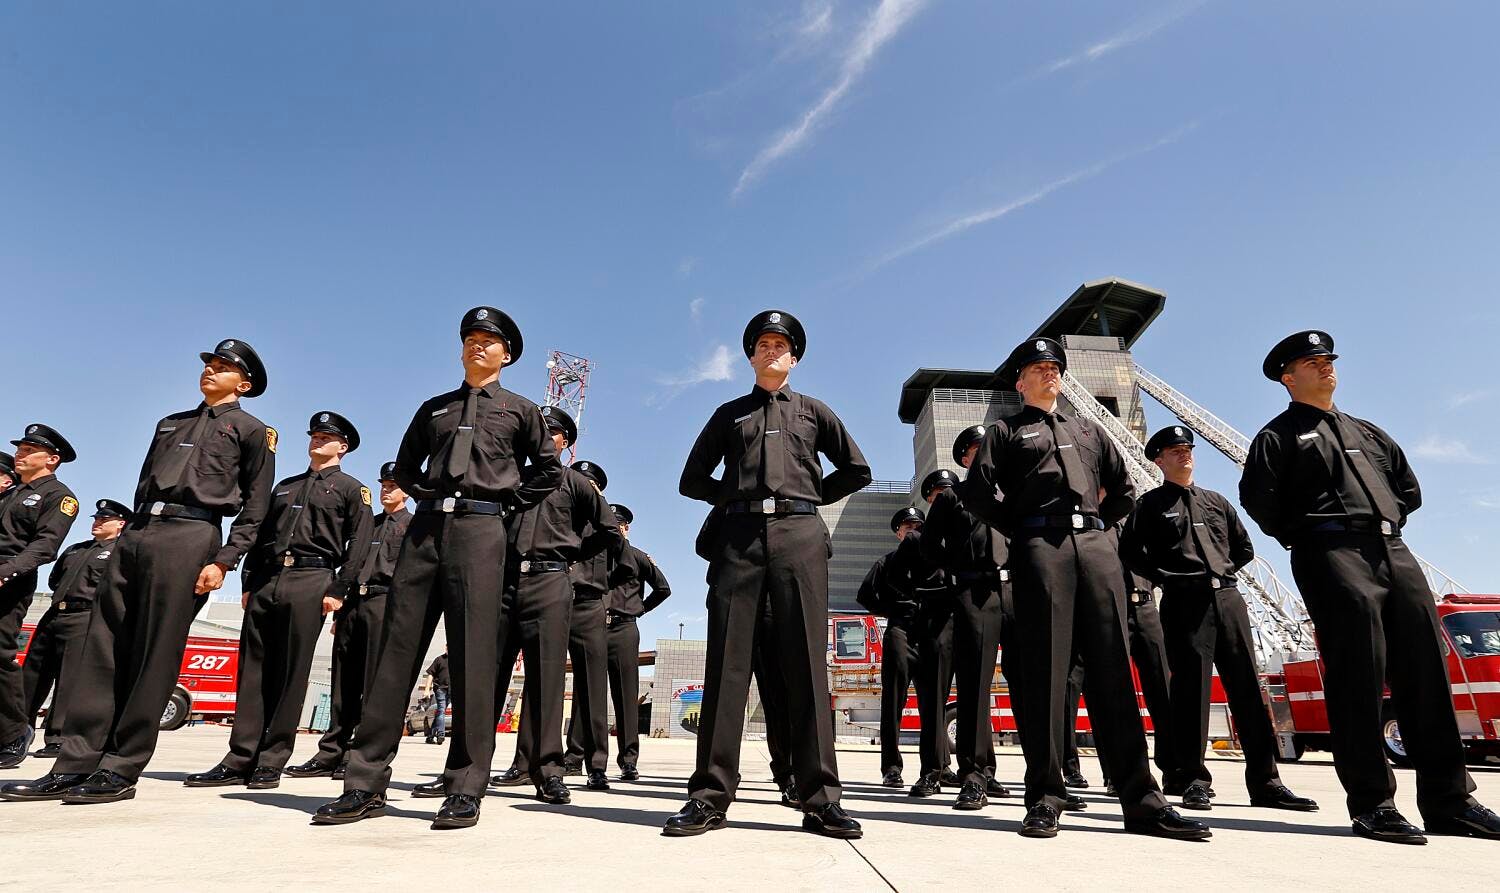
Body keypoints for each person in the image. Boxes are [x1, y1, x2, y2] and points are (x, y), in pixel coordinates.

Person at [1239, 331, 1499, 843]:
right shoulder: (1278, 437)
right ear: (1288, 378)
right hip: (1331, 553)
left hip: (1393, 551)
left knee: (1426, 673)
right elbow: (1259, 500)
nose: (1326, 366)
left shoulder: (1369, 431)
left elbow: (1407, 488)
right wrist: (1311, 536)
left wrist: (1383, 523)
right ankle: (1373, 803)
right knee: (1357, 673)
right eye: (1312, 362)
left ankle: (1450, 802)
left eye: (1328, 359)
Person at [312, 307, 561, 831]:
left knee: (473, 654)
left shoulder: (521, 410)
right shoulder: (435, 409)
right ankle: (364, 782)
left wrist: (505, 501)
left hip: (480, 532)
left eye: (488, 341)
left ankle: (466, 785)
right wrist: (427, 493)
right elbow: (403, 466)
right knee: (395, 653)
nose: (477, 347)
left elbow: (548, 471)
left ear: (506, 354)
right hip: (425, 532)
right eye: (470, 339)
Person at [6, 343, 276, 804]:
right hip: (139, 531)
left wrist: (225, 559)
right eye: (209, 364)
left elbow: (256, 503)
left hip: (192, 535)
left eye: (224, 367)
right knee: (101, 646)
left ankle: (120, 767)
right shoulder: (170, 422)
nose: (211, 370)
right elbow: (144, 479)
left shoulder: (252, 431)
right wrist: (129, 533)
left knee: (154, 651)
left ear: (244, 385)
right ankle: (74, 763)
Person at [961, 337, 1208, 840]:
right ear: (1020, 381)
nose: (1049, 372)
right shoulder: (1007, 432)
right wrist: (1023, 527)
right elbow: (978, 492)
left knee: (1113, 667)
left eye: (1054, 366)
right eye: (1038, 367)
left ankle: (1141, 798)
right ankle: (1046, 796)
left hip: (1096, 547)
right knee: (1047, 672)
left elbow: (1123, 490)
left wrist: (1096, 526)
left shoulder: (1091, 430)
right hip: (1040, 547)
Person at [668, 309, 871, 839]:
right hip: (737, 543)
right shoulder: (730, 414)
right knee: (727, 669)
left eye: (781, 344)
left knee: (806, 666)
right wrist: (735, 497)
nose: (771, 349)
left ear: (795, 356)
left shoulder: (813, 411)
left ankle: (821, 798)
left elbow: (857, 469)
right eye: (762, 343)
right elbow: (692, 479)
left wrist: (805, 500)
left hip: (800, 540)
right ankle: (710, 796)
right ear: (751, 355)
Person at [1121, 424, 1315, 812]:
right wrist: (1167, 578)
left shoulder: (1217, 502)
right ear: (1158, 460)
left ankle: (1266, 782)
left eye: (1187, 449)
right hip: (1184, 603)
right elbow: (1131, 552)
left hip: (1228, 598)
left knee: (1246, 688)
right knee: (1191, 692)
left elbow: (1243, 548)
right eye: (1174, 451)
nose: (1184, 454)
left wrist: (1219, 572)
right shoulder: (1150, 505)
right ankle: (1192, 778)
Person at [186, 412, 373, 790]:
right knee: (252, 670)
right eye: (314, 436)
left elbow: (361, 545)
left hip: (313, 578)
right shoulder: (285, 487)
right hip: (269, 579)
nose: (317, 441)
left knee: (291, 670)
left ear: (343, 446)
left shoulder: (353, 490)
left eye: (326, 437)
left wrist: (339, 590)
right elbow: (259, 535)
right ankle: (239, 757)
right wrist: (249, 581)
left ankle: (271, 759)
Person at [483, 408, 619, 804]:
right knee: (486, 677)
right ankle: (467, 767)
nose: (547, 436)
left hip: (549, 581)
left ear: (565, 442)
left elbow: (609, 531)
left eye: (555, 432)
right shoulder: (508, 478)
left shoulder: (574, 482)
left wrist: (571, 554)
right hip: (504, 581)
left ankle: (548, 771)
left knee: (545, 680)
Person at [289, 461, 411, 779]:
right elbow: (352, 565)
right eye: (383, 484)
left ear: (407, 492)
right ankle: (331, 751)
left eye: (393, 485)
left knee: (373, 686)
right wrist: (341, 611)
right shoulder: (368, 525)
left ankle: (357, 754)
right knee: (343, 683)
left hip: (385, 604)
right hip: (354, 603)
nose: (387, 490)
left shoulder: (412, 527)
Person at [918, 467, 1008, 809]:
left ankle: (1049, 777)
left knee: (1035, 688)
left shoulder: (1018, 489)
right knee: (973, 688)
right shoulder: (954, 498)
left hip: (1018, 591)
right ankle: (972, 774)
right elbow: (929, 545)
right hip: (975, 592)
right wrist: (957, 568)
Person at [20, 500, 130, 759]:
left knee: (69, 679)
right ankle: (14, 731)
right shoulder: (75, 550)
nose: (97, 522)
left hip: (85, 616)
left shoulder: (121, 552)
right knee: (31, 675)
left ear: (121, 523)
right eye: (96, 518)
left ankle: (58, 738)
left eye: (105, 519)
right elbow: (54, 579)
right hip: (55, 614)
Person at [0, 425, 81, 770]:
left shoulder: (58, 497)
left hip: (9, 579)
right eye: (20, 448)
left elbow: (45, 546)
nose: (20, 454)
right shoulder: (11, 492)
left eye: (29, 450)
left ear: (52, 459)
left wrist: (6, 573)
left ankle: (15, 732)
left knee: (0, 656)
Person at [854, 507, 927, 791]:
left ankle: (937, 767)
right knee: (893, 701)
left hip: (930, 632)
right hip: (900, 632)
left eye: (917, 526)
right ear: (898, 533)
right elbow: (864, 595)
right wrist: (891, 611)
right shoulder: (887, 563)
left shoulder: (934, 559)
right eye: (907, 527)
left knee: (932, 702)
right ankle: (892, 768)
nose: (912, 530)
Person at [559, 460, 616, 791]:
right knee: (546, 683)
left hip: (588, 606)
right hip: (554, 599)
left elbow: (625, 566)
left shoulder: (602, 524)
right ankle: (537, 760)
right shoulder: (560, 515)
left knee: (592, 689)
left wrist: (606, 601)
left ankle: (596, 765)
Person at [604, 503, 671, 780]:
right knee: (588, 694)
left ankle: (628, 761)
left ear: (626, 527)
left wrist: (640, 609)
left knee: (625, 697)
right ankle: (575, 757)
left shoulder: (637, 556)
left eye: (619, 524)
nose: (616, 528)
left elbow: (663, 588)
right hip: (593, 627)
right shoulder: (595, 555)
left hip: (623, 629)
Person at [424, 650, 451, 743]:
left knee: (440, 712)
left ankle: (430, 736)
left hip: (451, 690)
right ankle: (441, 734)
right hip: (440, 689)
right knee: (442, 711)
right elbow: (430, 674)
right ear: (446, 647)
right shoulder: (439, 659)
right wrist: (427, 689)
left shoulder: (457, 660)